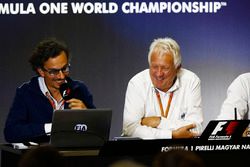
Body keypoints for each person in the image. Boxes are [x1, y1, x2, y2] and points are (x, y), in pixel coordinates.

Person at [4, 38, 95, 143]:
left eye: (65, 68)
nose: (61, 76)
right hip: (41, 157)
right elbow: (11, 132)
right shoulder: (26, 93)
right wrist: (52, 128)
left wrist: (87, 115)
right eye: (54, 71)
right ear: (41, 71)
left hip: (74, 157)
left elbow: (98, 133)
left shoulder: (79, 90)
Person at [122, 37, 203, 139]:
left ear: (178, 68)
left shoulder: (191, 81)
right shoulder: (137, 83)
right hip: (144, 151)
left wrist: (159, 122)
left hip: (180, 150)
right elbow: (130, 129)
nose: (159, 74)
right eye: (154, 67)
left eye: (165, 68)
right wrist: (171, 135)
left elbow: (195, 129)